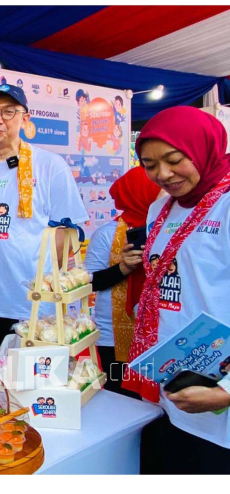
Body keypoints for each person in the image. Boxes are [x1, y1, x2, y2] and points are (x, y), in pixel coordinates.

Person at [126, 106, 230, 473]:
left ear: (203, 147)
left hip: (219, 394)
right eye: (150, 164)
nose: (163, 174)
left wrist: (227, 389)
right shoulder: (161, 208)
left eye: (173, 159)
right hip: (172, 380)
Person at [0, 84, 86, 365]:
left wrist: (46, 279)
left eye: (8, 112)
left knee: (33, 395)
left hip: (33, 308)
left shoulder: (50, 166)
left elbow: (70, 232)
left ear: (25, 118)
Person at [84, 168, 161, 398]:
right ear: (141, 193)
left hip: (158, 335)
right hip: (113, 339)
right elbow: (90, 282)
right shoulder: (107, 234)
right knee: (121, 399)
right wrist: (123, 268)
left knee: (153, 402)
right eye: (159, 191)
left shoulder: (168, 231)